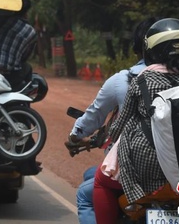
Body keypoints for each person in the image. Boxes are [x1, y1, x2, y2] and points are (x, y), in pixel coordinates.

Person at [93, 18, 179, 224]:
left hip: (145, 166)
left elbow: (121, 124)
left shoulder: (142, 81)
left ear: (151, 51)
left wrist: (109, 135)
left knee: (101, 183)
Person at [64, 17, 157, 224]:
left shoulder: (125, 80)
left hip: (138, 169)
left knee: (87, 193)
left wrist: (75, 135)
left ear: (138, 47)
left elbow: (95, 117)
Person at [0, 0, 36, 90]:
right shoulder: (30, 31)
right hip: (10, 75)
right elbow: (24, 57)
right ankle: (24, 99)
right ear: (26, 11)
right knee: (28, 68)